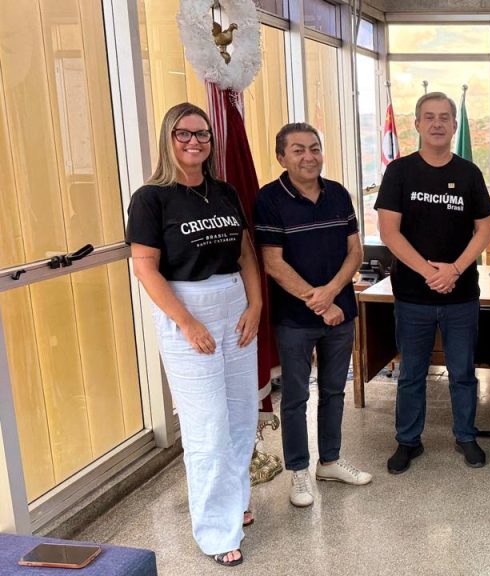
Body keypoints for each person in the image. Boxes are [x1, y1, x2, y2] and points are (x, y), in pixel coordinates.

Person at [126, 102, 260, 567]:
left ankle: (236, 503)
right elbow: (145, 268)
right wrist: (186, 321)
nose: (194, 142)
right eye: (183, 133)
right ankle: (215, 532)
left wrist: (256, 305)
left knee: (241, 416)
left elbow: (245, 253)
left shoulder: (224, 191)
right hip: (186, 306)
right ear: (168, 138)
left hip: (234, 303)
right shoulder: (151, 198)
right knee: (208, 427)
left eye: (202, 134)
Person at [252, 123, 372, 509]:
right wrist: (319, 302)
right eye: (299, 150)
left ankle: (330, 462)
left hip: (341, 314)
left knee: (335, 391)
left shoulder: (337, 193)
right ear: (281, 157)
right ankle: (299, 470)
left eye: (315, 148)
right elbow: (273, 263)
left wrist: (332, 293)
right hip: (295, 319)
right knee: (296, 396)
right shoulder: (269, 198)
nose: (309, 157)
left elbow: (356, 252)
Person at [374, 92, 490, 473]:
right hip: (413, 296)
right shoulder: (399, 172)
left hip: (461, 295)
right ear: (417, 124)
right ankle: (408, 441)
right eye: (429, 117)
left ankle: (466, 436)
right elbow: (389, 232)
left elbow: (484, 229)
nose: (437, 123)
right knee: (411, 374)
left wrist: (454, 270)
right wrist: (430, 273)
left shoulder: (469, 173)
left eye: (444, 117)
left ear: (455, 125)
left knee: (462, 372)